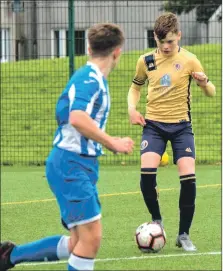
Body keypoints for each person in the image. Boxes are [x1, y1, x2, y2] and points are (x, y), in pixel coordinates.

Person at [0, 23, 134, 271]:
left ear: (88, 48)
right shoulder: (90, 78)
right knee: (91, 239)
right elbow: (76, 117)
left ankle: (10, 255)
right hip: (71, 164)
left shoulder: (91, 78)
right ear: (117, 52)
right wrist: (112, 142)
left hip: (75, 164)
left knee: (78, 242)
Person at [127, 12, 216, 252]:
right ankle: (157, 221)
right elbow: (135, 88)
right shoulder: (145, 61)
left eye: (170, 41)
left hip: (181, 127)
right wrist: (131, 108)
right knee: (146, 175)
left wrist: (204, 82)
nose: (166, 46)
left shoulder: (190, 60)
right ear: (154, 38)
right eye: (161, 41)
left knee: (189, 178)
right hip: (153, 126)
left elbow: (212, 92)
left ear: (179, 36)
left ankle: (184, 235)